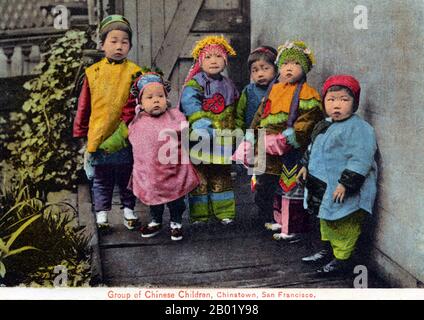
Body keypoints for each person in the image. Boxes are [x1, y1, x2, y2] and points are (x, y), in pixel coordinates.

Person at [237, 40, 323, 241]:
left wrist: (294, 134)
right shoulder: (273, 90)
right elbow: (260, 113)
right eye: (284, 64)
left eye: (295, 64)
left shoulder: (307, 93)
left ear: (305, 68)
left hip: (288, 148)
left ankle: (291, 224)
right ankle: (269, 216)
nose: (289, 68)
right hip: (267, 146)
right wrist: (251, 132)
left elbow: (309, 117)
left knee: (288, 184)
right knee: (265, 182)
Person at [297, 75, 377, 274]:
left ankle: (342, 259)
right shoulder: (324, 124)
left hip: (344, 188)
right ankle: (328, 251)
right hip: (322, 185)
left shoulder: (360, 129)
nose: (337, 105)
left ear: (354, 103)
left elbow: (361, 158)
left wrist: (346, 184)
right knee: (326, 219)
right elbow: (312, 147)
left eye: (344, 100)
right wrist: (305, 165)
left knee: (344, 223)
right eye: (331, 100)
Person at [73, 15, 142, 230]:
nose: (119, 46)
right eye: (113, 41)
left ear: (129, 45)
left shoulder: (135, 72)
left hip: (125, 136)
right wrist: (81, 134)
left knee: (127, 177)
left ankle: (129, 212)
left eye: (124, 41)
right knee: (101, 179)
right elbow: (84, 107)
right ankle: (102, 216)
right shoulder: (92, 74)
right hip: (100, 135)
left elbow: (139, 104)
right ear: (102, 44)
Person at [124, 73, 200, 241]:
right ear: (141, 104)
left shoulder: (175, 116)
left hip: (173, 169)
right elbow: (135, 144)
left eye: (160, 96)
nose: (156, 100)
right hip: (150, 171)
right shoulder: (138, 122)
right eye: (149, 97)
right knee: (153, 198)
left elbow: (186, 136)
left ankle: (176, 222)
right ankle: (156, 220)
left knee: (176, 200)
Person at [179, 35, 240, 225]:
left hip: (223, 137)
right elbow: (189, 102)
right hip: (202, 137)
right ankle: (200, 214)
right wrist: (200, 121)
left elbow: (236, 107)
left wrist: (237, 130)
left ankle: (224, 211)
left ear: (225, 60)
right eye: (208, 57)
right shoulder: (195, 83)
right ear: (200, 61)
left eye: (218, 57)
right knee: (200, 177)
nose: (213, 61)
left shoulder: (229, 85)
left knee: (222, 175)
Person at [235, 46, 278, 131]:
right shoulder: (248, 91)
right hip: (250, 135)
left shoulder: (282, 89)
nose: (260, 74)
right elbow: (239, 116)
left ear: (276, 69)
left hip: (274, 137)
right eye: (255, 70)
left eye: (265, 68)